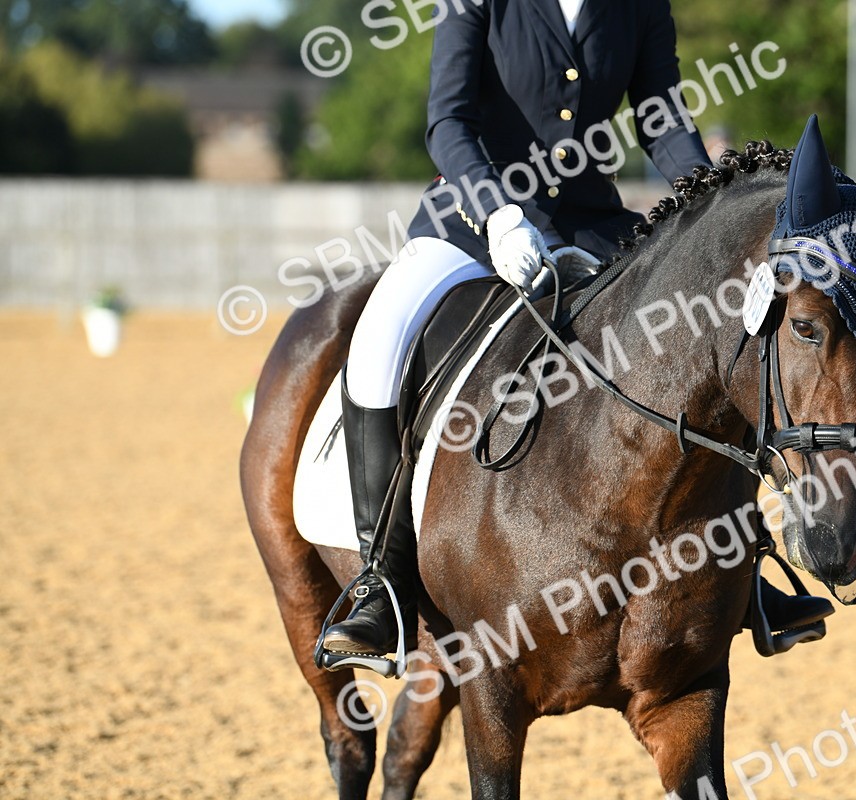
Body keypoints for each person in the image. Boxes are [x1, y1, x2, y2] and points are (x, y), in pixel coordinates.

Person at [321, 0, 829, 660]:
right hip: (472, 220)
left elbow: (661, 119)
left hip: (593, 223)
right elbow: (448, 121)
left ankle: (747, 564)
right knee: (377, 346)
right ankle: (380, 582)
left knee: (722, 339)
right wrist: (498, 213)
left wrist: (719, 205)